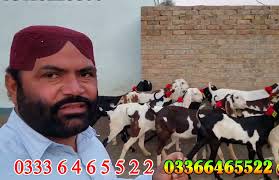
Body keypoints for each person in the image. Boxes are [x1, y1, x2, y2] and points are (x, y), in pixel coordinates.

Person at [0, 26, 188, 180]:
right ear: (13, 86)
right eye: (52, 75)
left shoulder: (86, 137)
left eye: (86, 74)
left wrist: (153, 179)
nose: (75, 89)